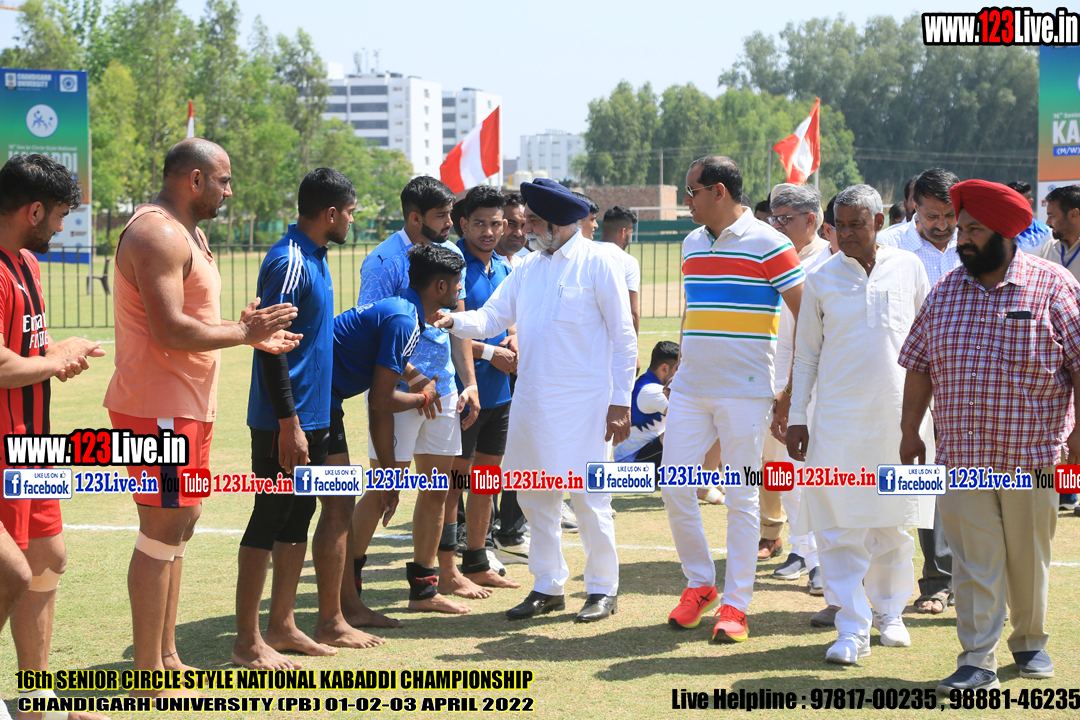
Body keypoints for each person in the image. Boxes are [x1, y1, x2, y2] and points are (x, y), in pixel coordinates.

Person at [104, 138, 299, 689]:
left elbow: (193, 319)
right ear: (194, 179)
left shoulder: (189, 232)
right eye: (224, 180)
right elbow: (169, 328)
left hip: (186, 404)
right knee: (162, 526)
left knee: (181, 525)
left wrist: (246, 332)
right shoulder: (157, 233)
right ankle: (148, 671)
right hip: (157, 407)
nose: (229, 192)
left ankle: (165, 656)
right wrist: (244, 332)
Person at [898, 179, 1075, 693]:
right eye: (961, 229)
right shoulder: (946, 291)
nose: (963, 240)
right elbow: (918, 364)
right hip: (963, 456)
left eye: (974, 230)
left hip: (1033, 456)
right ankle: (977, 658)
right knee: (974, 562)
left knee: (1028, 558)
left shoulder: (1053, 285)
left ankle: (1030, 641)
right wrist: (910, 431)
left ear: (1004, 232)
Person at [433, 178, 636, 623]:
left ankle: (602, 589)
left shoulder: (599, 262)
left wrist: (620, 402)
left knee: (589, 499)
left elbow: (624, 337)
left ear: (558, 224)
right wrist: (452, 321)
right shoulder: (528, 268)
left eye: (533, 222)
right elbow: (492, 317)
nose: (523, 230)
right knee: (535, 496)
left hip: (586, 406)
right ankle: (548, 585)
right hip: (533, 403)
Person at [786, 184, 934, 665]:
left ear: (879, 222)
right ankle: (852, 628)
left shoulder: (908, 267)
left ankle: (890, 613)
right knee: (840, 527)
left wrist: (929, 418)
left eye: (857, 224)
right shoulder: (821, 278)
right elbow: (806, 356)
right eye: (840, 225)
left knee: (894, 524)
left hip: (900, 420)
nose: (847, 233)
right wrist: (797, 417)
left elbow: (928, 346)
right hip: (837, 422)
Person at [662, 156, 804, 642]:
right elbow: (693, 311)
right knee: (674, 486)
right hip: (690, 388)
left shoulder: (771, 242)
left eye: (692, 191)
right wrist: (682, 364)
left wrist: (790, 389)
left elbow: (807, 317)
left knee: (741, 498)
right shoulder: (690, 243)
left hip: (745, 393)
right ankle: (701, 585)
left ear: (718, 191)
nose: (687, 200)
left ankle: (736, 605)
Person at [233, 168, 364, 671]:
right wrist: (288, 422)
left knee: (298, 515)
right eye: (349, 213)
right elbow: (269, 346)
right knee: (269, 517)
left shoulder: (317, 256)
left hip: (315, 416)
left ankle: (282, 627)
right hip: (282, 422)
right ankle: (246, 643)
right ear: (329, 214)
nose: (351, 221)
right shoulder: (289, 261)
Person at [0, 154, 108, 720]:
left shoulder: (27, 264)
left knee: (47, 559)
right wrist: (54, 359)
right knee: (11, 573)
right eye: (61, 215)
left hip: (31, 447)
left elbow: (25, 353)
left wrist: (56, 354)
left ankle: (37, 704)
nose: (62, 228)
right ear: (34, 210)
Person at [350, 176, 479, 615]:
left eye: (450, 214)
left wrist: (467, 382)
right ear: (414, 217)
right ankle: (346, 588)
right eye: (442, 216)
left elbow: (457, 325)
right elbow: (371, 330)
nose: (450, 223)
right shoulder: (383, 262)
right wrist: (416, 380)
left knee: (437, 490)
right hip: (399, 395)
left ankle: (424, 591)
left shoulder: (450, 256)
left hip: (444, 391)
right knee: (383, 490)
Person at [328, 243, 465, 630]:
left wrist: (422, 385)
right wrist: (422, 396)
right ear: (440, 286)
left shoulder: (406, 310)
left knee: (436, 489)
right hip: (319, 403)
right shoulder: (404, 317)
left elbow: (381, 397)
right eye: (457, 283)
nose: (460, 290)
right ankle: (345, 596)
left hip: (419, 395)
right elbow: (380, 401)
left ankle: (423, 590)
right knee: (364, 497)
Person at [440, 186, 521, 598]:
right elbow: (445, 331)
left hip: (499, 396)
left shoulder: (505, 268)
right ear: (462, 224)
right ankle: (445, 569)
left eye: (495, 223)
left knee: (487, 482)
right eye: (479, 224)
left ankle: (477, 561)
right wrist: (492, 352)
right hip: (462, 396)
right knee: (453, 484)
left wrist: (514, 338)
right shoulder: (452, 265)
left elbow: (509, 320)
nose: (488, 232)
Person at [892, 168, 963, 616]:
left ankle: (974, 580)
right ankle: (935, 580)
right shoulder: (891, 248)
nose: (942, 225)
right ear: (913, 206)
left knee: (970, 479)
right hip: (911, 378)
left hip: (967, 380)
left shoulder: (975, 244)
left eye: (949, 215)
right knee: (923, 479)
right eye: (932, 215)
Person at [765, 184, 830, 598]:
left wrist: (791, 391)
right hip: (770, 379)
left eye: (784, 218)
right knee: (782, 471)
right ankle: (800, 548)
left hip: (813, 384)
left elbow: (811, 340)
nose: (776, 225)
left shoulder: (828, 261)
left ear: (811, 220)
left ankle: (822, 558)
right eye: (773, 218)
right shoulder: (770, 256)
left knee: (814, 472)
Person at [1038, 184, 1080, 512]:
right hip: (1056, 348)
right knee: (1063, 419)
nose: (1048, 221)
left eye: (1053, 215)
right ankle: (1068, 492)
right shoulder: (1048, 249)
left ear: (1075, 214)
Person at [613, 341, 679, 466]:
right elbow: (688, 417)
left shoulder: (650, 383)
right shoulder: (653, 391)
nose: (682, 374)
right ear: (664, 368)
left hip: (645, 454)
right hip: (632, 461)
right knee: (683, 430)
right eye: (678, 369)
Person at [596, 206, 641, 335]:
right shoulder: (628, 262)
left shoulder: (583, 252)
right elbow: (632, 313)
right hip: (610, 342)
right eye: (630, 232)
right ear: (623, 232)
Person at [1008, 181, 1052, 252]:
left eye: (1020, 203)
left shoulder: (1045, 232)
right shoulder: (993, 230)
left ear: (1030, 202)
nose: (1015, 207)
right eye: (1011, 202)